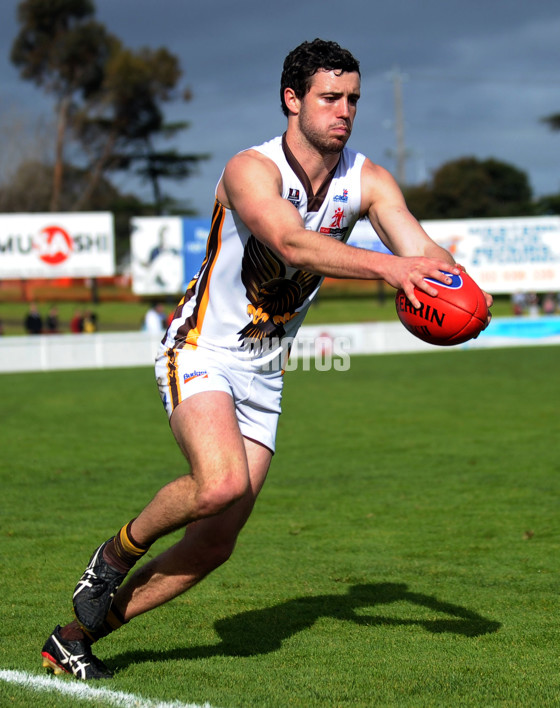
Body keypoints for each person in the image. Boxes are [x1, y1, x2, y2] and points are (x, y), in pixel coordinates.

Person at [41, 38, 493, 680]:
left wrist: (465, 289)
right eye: (330, 98)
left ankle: (73, 640)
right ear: (292, 100)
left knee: (215, 543)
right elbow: (290, 241)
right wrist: (396, 270)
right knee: (219, 481)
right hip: (200, 349)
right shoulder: (250, 169)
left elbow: (421, 249)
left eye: (354, 100)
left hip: (264, 369)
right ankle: (115, 554)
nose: (345, 111)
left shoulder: (367, 179)